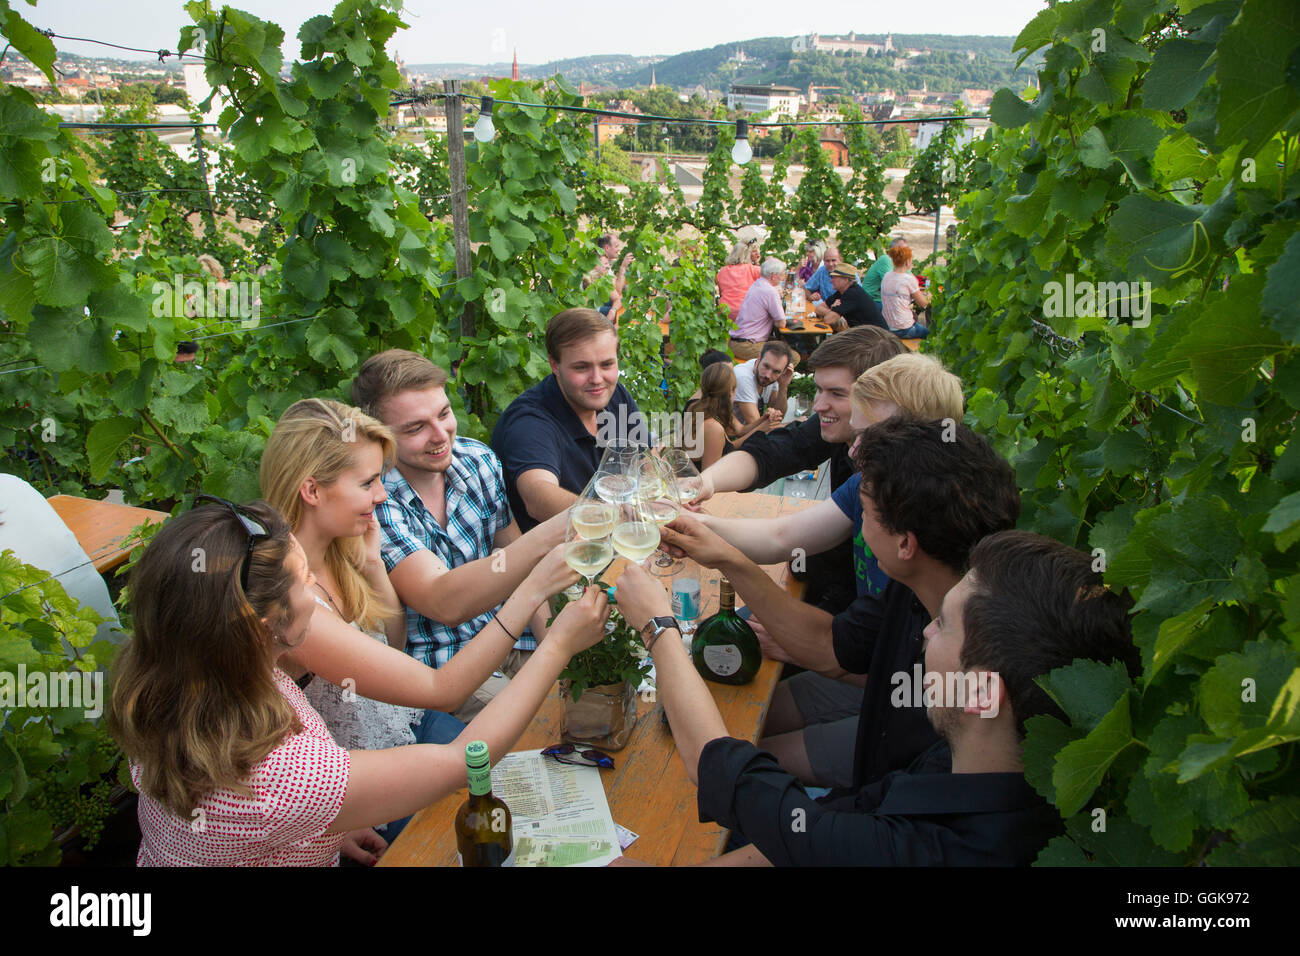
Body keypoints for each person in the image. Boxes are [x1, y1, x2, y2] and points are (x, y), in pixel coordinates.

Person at [109, 498, 609, 866]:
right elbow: (464, 761)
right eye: (306, 582)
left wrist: (316, 829)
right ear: (267, 626)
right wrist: (558, 645)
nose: (318, 593)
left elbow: (228, 827)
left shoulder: (169, 687)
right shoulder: (284, 775)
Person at [612, 526, 1137, 866]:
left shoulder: (922, 852)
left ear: (981, 693)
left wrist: (658, 627)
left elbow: (717, 767)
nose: (926, 631)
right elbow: (820, 830)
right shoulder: (976, 771)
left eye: (944, 626)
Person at [663, 417, 1021, 800]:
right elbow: (832, 644)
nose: (853, 521)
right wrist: (727, 557)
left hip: (875, 775)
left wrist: (658, 626)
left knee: (740, 753)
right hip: (875, 728)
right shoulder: (919, 584)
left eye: (862, 511)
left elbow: (845, 829)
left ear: (905, 543)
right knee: (734, 717)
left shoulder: (947, 711)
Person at [686, 354, 965, 789]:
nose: (852, 450)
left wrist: (798, 644)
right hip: (868, 671)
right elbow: (783, 537)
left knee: (746, 757)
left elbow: (837, 651)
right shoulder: (871, 484)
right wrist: (696, 523)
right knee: (744, 718)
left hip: (916, 720)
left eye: (868, 435)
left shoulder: (931, 537)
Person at [351, 351, 569, 721]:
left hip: (513, 636)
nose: (441, 436)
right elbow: (444, 602)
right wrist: (556, 530)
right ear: (380, 436)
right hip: (445, 665)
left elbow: (514, 555)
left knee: (597, 696)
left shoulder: (477, 460)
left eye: (443, 413)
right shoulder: (376, 500)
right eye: (416, 428)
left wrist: (553, 641)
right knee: (544, 724)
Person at [690, 327, 906, 611]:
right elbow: (774, 452)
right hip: (831, 595)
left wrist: (700, 526)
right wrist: (705, 482)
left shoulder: (896, 477)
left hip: (848, 617)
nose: (819, 405)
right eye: (818, 389)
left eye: (836, 393)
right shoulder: (843, 427)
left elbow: (782, 538)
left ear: (877, 397)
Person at [492, 308, 640, 532]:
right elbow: (537, 496)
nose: (597, 379)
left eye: (607, 364)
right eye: (581, 367)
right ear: (554, 365)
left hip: (615, 543)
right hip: (565, 557)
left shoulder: (615, 394)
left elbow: (646, 459)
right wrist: (615, 517)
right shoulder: (530, 421)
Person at [684, 364, 778, 470]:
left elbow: (740, 431)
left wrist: (763, 420)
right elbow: (709, 477)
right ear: (730, 391)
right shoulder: (713, 428)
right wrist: (761, 429)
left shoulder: (696, 407)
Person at [730, 257, 787, 361]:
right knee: (791, 357)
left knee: (781, 345)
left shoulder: (757, 284)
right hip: (746, 345)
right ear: (773, 276)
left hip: (736, 340)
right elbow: (781, 323)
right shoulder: (770, 291)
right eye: (782, 274)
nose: (783, 277)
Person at [732, 340, 794, 429]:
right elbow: (758, 428)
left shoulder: (773, 375)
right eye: (766, 366)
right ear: (758, 360)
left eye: (776, 371)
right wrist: (794, 425)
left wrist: (783, 386)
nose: (768, 375)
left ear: (783, 372)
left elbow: (778, 416)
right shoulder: (743, 377)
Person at [880, 240, 931, 339]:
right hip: (904, 329)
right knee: (930, 335)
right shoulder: (908, 279)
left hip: (887, 326)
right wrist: (930, 296)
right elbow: (923, 303)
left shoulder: (887, 276)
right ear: (908, 261)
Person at [821, 263, 888, 333]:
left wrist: (833, 310)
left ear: (846, 280)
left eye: (834, 277)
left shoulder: (852, 294)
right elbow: (819, 309)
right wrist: (832, 312)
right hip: (867, 335)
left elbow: (828, 320)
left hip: (877, 338)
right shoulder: (842, 292)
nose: (831, 281)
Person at [715, 239, 761, 324]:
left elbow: (722, 293)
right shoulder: (753, 269)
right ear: (747, 255)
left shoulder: (722, 271)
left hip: (724, 313)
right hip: (746, 313)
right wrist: (757, 263)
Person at [587, 233, 629, 318]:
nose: (619, 249)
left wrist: (623, 267)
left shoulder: (603, 260)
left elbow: (617, 289)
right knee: (624, 309)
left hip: (597, 305)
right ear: (606, 248)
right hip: (592, 310)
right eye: (616, 246)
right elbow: (618, 294)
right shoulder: (602, 263)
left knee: (624, 300)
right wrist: (612, 312)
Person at [862, 237, 907, 308]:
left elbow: (911, 279)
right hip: (872, 301)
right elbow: (892, 285)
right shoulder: (886, 259)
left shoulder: (900, 263)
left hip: (884, 300)